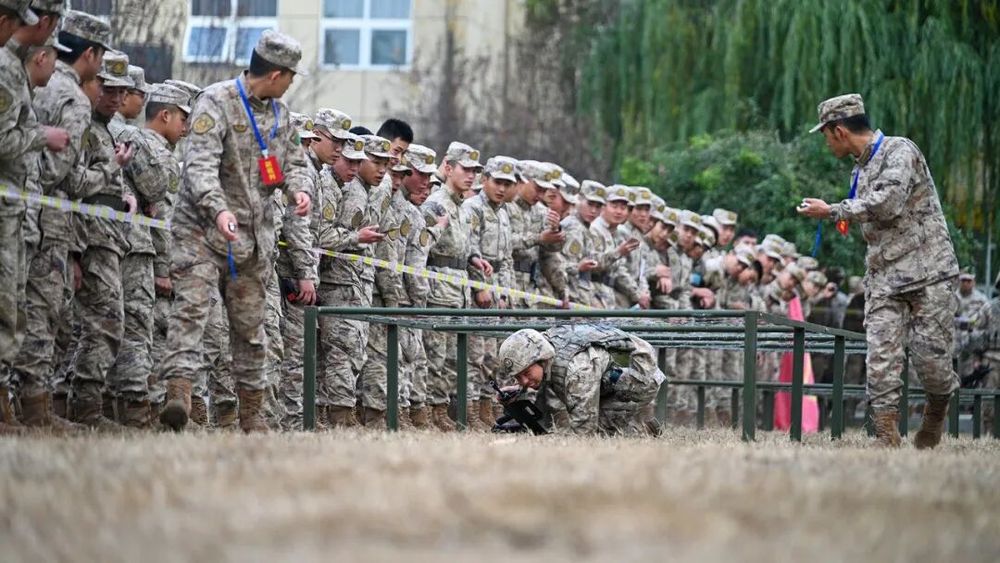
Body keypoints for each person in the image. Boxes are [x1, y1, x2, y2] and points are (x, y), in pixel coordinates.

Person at [158, 30, 312, 433]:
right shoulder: (215, 102)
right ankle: (178, 396)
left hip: (250, 241)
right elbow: (199, 167)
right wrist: (218, 209)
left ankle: (252, 414)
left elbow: (295, 164)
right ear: (276, 74)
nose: (291, 84)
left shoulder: (281, 116)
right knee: (191, 312)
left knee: (250, 328)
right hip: (201, 232)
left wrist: (298, 191)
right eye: (291, 76)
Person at [798, 93, 959, 448]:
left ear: (839, 131)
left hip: (929, 272)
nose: (826, 143)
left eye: (825, 135)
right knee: (880, 358)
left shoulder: (900, 151)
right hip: (884, 277)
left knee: (931, 361)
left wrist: (833, 210)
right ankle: (886, 435)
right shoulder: (859, 169)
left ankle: (936, 409)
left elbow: (888, 204)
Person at [496, 325, 666, 435]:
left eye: (526, 373)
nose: (524, 381)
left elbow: (584, 431)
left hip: (640, 381)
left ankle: (643, 430)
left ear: (541, 357)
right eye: (518, 377)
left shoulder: (577, 371)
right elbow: (535, 372)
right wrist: (519, 390)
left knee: (601, 434)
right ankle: (639, 427)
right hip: (608, 378)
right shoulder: (543, 344)